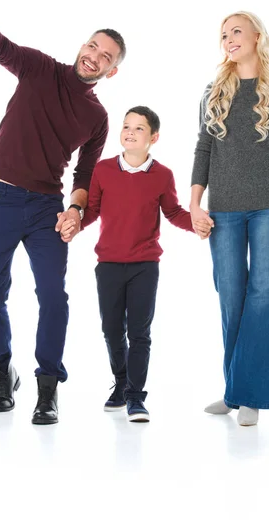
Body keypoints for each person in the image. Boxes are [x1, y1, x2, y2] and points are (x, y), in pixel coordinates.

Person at [0, 0, 126, 425]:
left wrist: (77, 212)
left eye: (105, 57)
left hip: (46, 205)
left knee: (53, 296)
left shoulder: (97, 118)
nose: (94, 57)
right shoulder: (40, 68)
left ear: (112, 70)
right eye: (92, 46)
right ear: (81, 47)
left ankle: (48, 387)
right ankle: (1, 373)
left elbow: (84, 177)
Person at [60, 106, 212, 422]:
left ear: (153, 137)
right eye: (126, 126)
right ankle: (120, 382)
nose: (129, 131)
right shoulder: (102, 170)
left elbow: (173, 212)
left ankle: (135, 397)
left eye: (138, 128)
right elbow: (93, 211)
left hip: (145, 264)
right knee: (112, 329)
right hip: (109, 264)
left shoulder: (162, 175)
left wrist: (196, 222)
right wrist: (73, 223)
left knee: (139, 332)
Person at [190, 11, 269, 426]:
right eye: (223, 34)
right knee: (231, 294)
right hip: (223, 209)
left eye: (236, 30)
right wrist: (195, 204)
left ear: (257, 36)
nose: (229, 39)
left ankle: (249, 395)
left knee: (263, 294)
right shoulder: (213, 92)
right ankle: (236, 390)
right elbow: (203, 149)